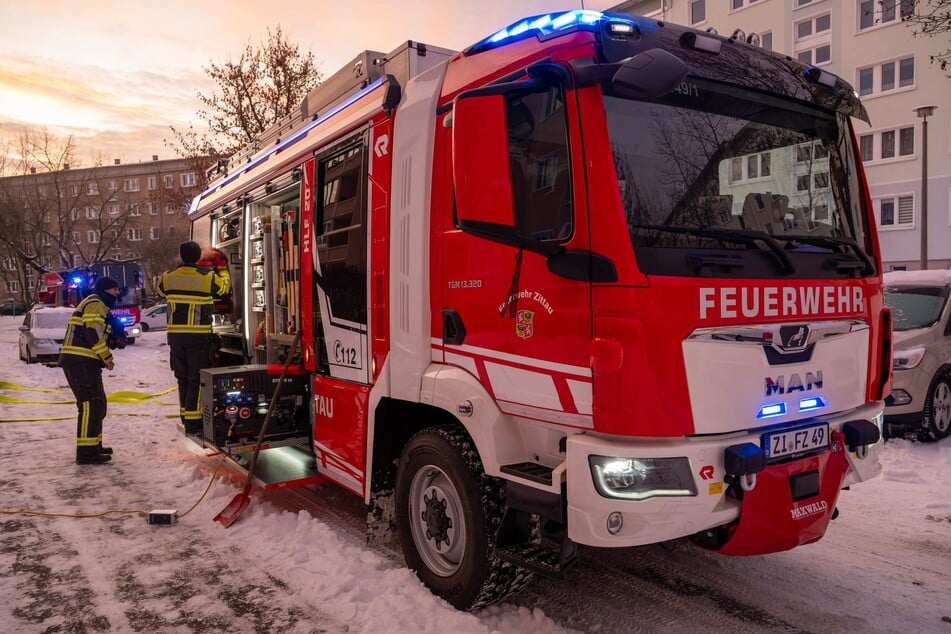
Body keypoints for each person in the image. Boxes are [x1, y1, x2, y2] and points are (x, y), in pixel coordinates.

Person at [157, 241, 231, 434]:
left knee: (182, 378)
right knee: (196, 379)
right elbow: (224, 289)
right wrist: (222, 268)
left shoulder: (167, 277)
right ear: (199, 257)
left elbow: (160, 291)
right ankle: (194, 421)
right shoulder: (208, 277)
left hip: (176, 338)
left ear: (181, 257)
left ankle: (185, 416)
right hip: (198, 337)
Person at [60, 276, 120, 464]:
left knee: (98, 404)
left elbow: (97, 331)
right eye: (115, 289)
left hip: (85, 361)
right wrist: (107, 358)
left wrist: (114, 338)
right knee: (89, 405)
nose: (118, 293)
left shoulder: (96, 304)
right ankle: (86, 453)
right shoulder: (95, 303)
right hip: (80, 361)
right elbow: (92, 332)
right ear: (105, 290)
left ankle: (94, 445)